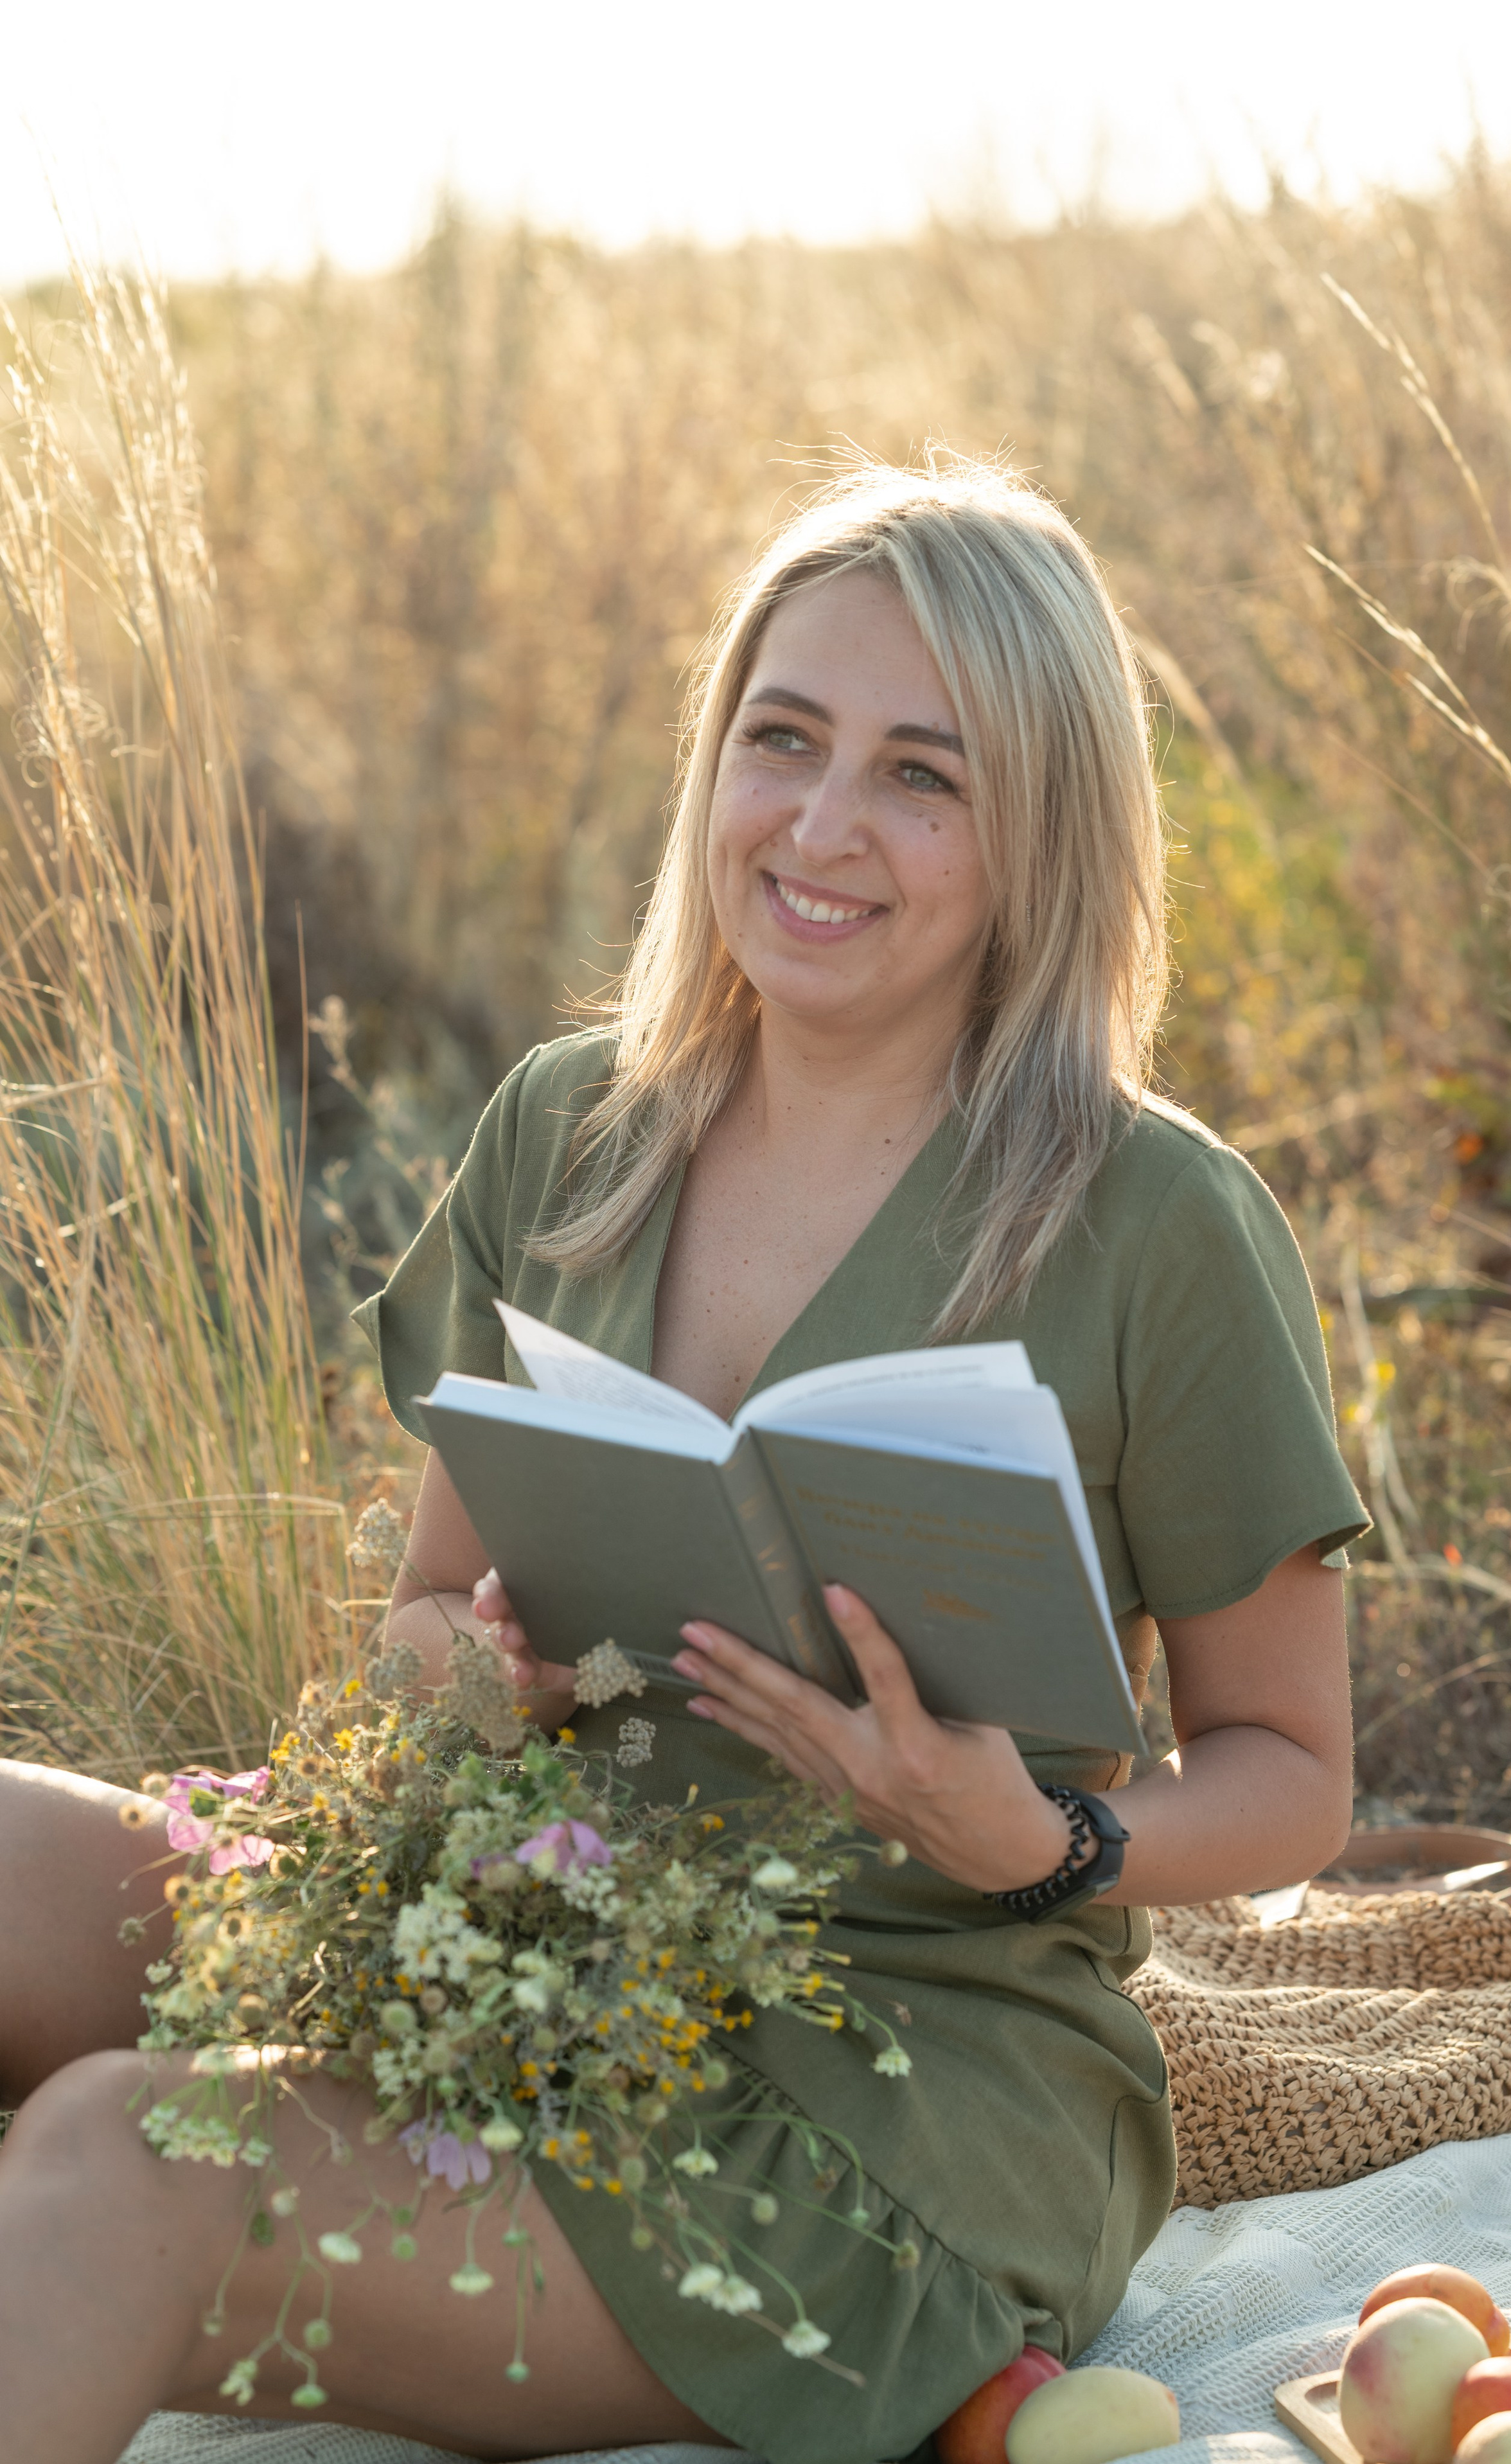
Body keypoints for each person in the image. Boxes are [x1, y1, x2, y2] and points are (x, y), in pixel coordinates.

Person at [0, 456, 1367, 2464]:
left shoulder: (1159, 1222)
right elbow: (414, 1635)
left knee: (129, 2153)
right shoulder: (574, 1127)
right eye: (783, 737)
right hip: (525, 1932)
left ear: (1043, 831)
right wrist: (474, 1682)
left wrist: (1042, 1843)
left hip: (897, 2080)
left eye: (928, 773)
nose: (823, 827)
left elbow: (1301, 1775)